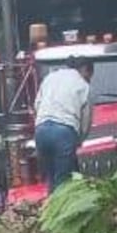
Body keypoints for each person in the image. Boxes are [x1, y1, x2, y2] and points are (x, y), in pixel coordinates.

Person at [33, 58, 93, 190]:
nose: (89, 79)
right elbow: (86, 119)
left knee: (50, 177)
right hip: (64, 132)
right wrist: (79, 140)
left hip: (41, 130)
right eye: (90, 76)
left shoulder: (49, 78)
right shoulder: (83, 85)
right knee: (63, 181)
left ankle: (49, 207)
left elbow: (37, 104)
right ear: (85, 70)